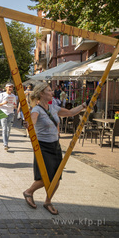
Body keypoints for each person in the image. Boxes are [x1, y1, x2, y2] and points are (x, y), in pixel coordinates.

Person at [22, 82, 87, 215]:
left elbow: (70, 113)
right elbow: (32, 123)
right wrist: (28, 124)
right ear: (42, 94)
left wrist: (84, 106)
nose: (52, 93)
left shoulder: (54, 107)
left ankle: (48, 201)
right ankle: (29, 192)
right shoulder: (36, 110)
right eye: (50, 91)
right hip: (42, 147)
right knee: (45, 176)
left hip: (55, 145)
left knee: (57, 176)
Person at [0, 82, 17, 151]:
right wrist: (3, 103)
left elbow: (15, 106)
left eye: (11, 87)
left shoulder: (13, 96)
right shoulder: (1, 95)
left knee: (8, 130)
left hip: (11, 113)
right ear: (6, 88)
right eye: (9, 87)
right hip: (3, 113)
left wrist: (14, 106)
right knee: (4, 129)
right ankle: (5, 144)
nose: (10, 88)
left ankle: (6, 143)